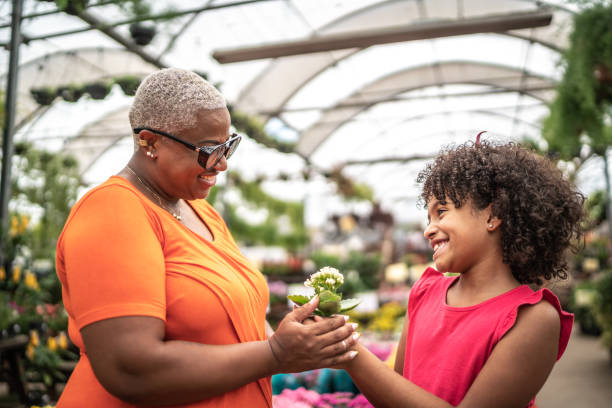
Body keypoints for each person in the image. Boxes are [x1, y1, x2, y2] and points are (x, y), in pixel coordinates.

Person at [55, 68, 359, 408]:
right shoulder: (113, 211)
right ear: (150, 142)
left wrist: (299, 340)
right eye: (207, 150)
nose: (222, 164)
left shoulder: (201, 212)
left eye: (228, 146)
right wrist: (274, 353)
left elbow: (234, 328)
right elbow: (130, 368)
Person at [338, 140, 585, 407]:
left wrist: (348, 351)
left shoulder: (532, 318)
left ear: (493, 215)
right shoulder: (424, 292)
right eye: (428, 218)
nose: (428, 230)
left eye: (441, 212)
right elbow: (396, 395)